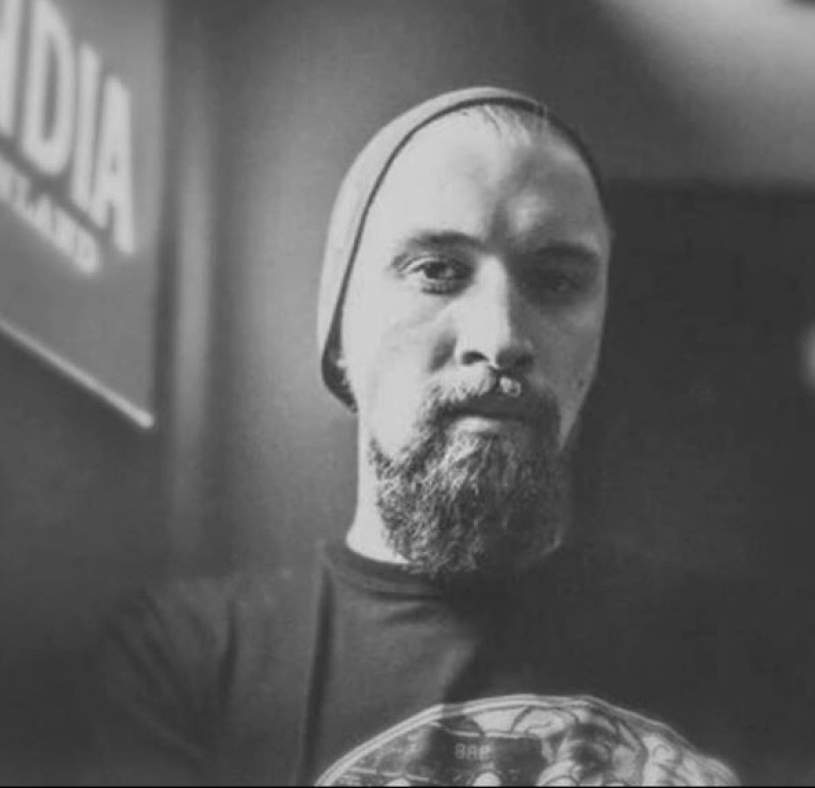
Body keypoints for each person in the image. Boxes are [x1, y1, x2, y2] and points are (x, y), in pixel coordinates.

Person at [83, 87, 738, 786]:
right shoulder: (189, 665)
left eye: (555, 281)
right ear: (340, 331)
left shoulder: (739, 659)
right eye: (437, 272)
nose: (501, 337)